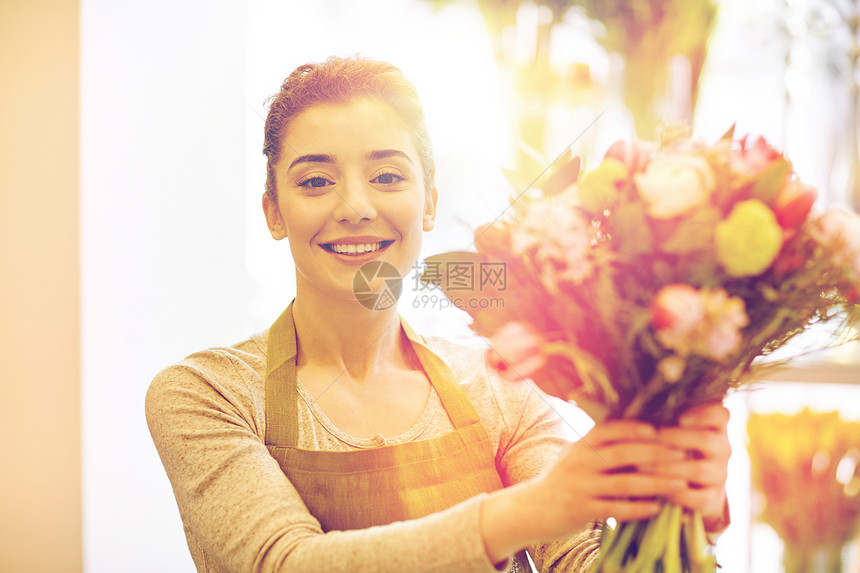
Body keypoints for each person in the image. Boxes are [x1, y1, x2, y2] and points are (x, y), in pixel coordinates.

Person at [145, 56, 731, 573]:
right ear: (274, 212)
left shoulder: (499, 388)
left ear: (428, 203)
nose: (355, 207)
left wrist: (679, 518)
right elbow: (286, 564)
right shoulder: (205, 395)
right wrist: (529, 510)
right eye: (316, 181)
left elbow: (581, 563)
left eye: (388, 176)